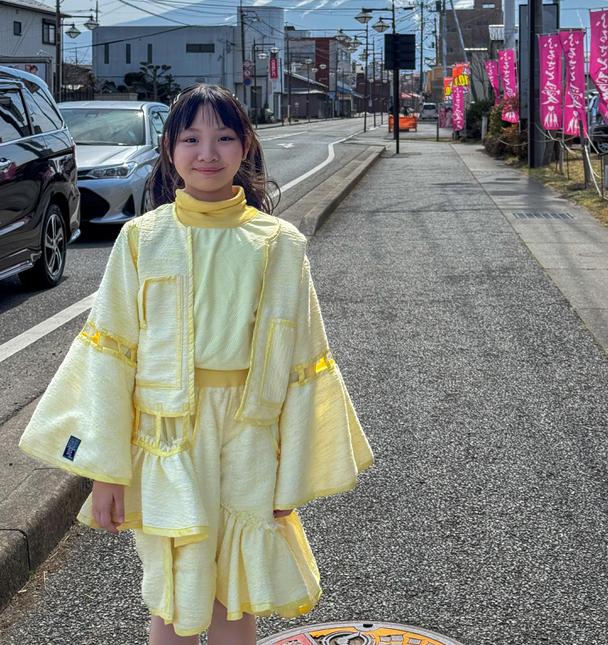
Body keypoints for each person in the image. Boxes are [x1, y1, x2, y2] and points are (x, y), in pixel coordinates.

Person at [19, 84, 373, 644]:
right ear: (169, 150)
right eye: (191, 138)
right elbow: (109, 355)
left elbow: (307, 363)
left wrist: (294, 471)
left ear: (246, 146)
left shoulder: (279, 244)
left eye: (223, 137)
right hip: (166, 437)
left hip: (252, 439)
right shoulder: (142, 238)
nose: (207, 152)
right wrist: (107, 471)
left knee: (236, 594)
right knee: (176, 591)